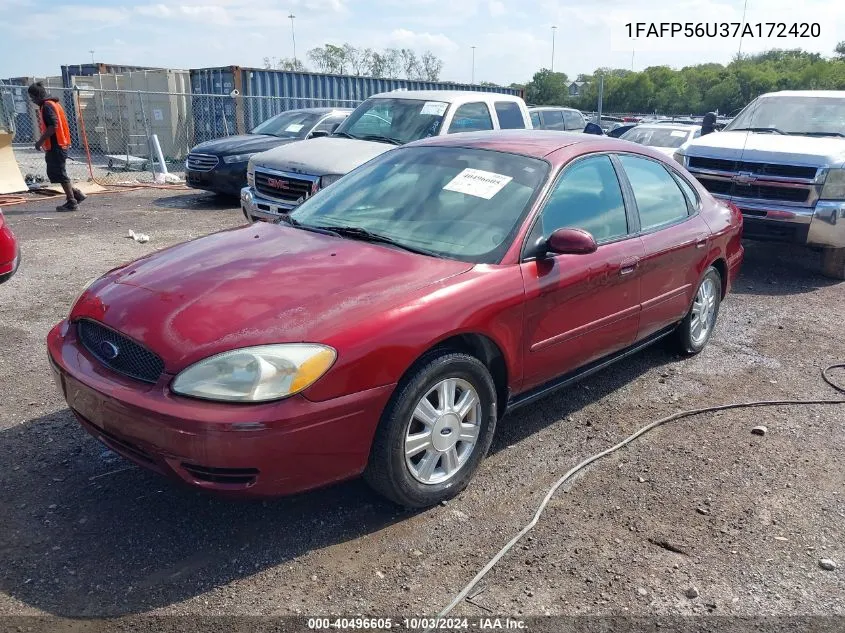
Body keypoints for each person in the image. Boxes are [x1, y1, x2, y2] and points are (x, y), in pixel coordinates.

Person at [28, 82, 86, 211]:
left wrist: (40, 141)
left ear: (37, 95)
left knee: (59, 173)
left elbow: (53, 126)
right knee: (56, 173)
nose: (32, 101)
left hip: (57, 145)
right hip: (60, 144)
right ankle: (76, 194)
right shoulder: (53, 104)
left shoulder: (47, 106)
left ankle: (72, 201)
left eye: (32, 97)